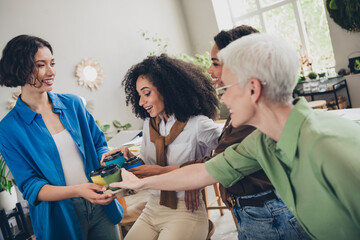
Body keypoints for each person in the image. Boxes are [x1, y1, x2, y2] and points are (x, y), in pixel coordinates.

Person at [111, 33, 360, 240]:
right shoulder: (259, 143)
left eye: (226, 88)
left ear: (253, 88)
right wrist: (140, 183)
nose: (223, 98)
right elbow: (205, 171)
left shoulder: (331, 147)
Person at [179, 25, 309, 240]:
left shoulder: (254, 120)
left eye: (215, 63)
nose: (209, 71)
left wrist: (149, 177)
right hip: (254, 211)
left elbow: (215, 166)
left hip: (268, 214)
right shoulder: (242, 113)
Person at [0, 35, 123, 240]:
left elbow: (99, 143)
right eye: (41, 65)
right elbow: (31, 186)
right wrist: (78, 191)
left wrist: (106, 158)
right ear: (19, 69)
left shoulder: (73, 104)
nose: (51, 71)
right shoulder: (9, 129)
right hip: (58, 216)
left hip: (101, 204)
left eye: (52, 63)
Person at [102, 54, 221, 240]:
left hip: (185, 209)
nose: (141, 102)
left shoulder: (198, 124)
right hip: (153, 207)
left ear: (167, 90)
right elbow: (146, 165)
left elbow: (227, 157)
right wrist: (129, 157)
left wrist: (192, 178)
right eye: (139, 95)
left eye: (147, 93)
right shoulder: (150, 125)